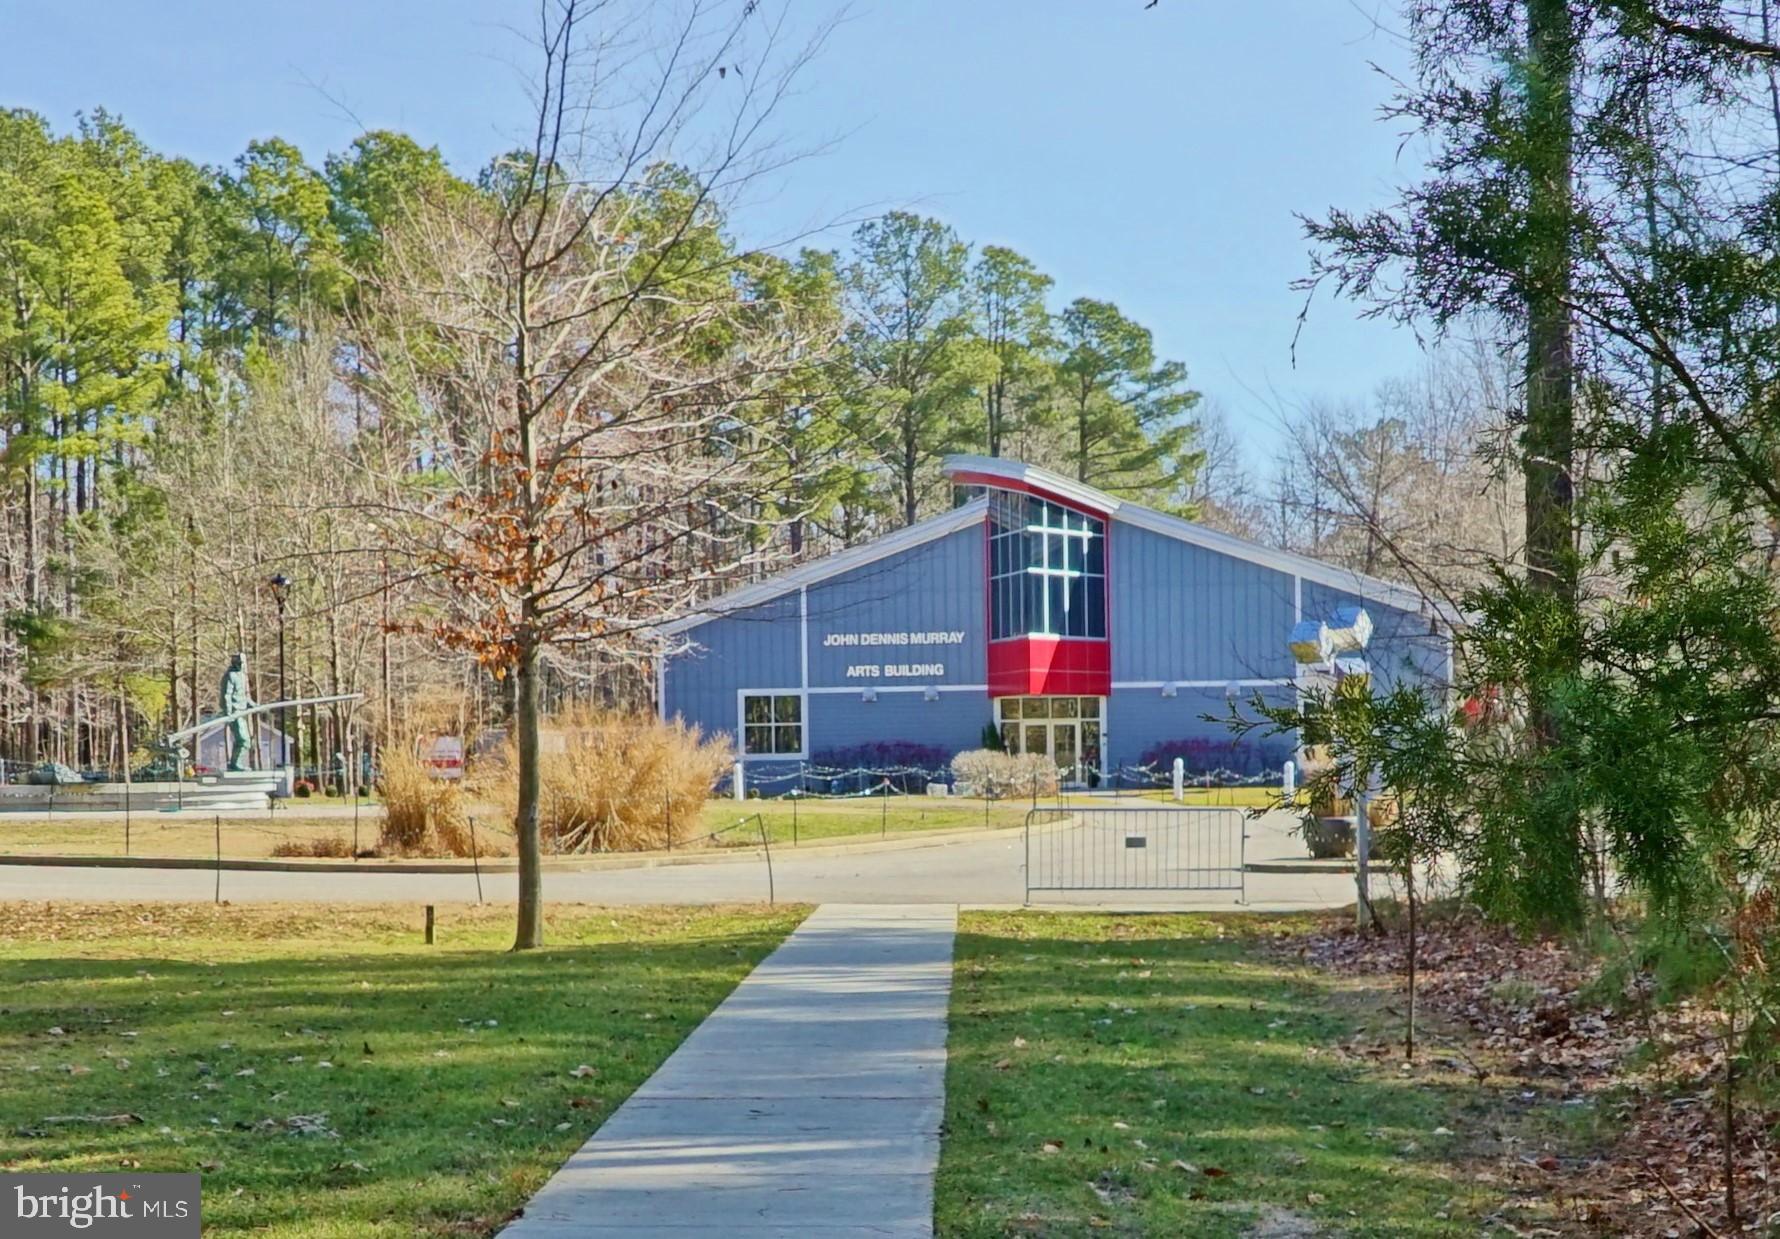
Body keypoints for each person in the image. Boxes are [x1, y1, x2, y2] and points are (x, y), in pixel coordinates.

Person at [218, 653, 255, 772]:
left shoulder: (242, 676)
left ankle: (235, 763)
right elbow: (226, 695)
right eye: (239, 663)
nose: (241, 666)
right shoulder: (230, 676)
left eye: (242, 664)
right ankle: (235, 764)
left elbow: (243, 694)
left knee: (245, 741)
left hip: (241, 711)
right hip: (234, 712)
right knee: (243, 740)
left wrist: (252, 704)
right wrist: (229, 712)